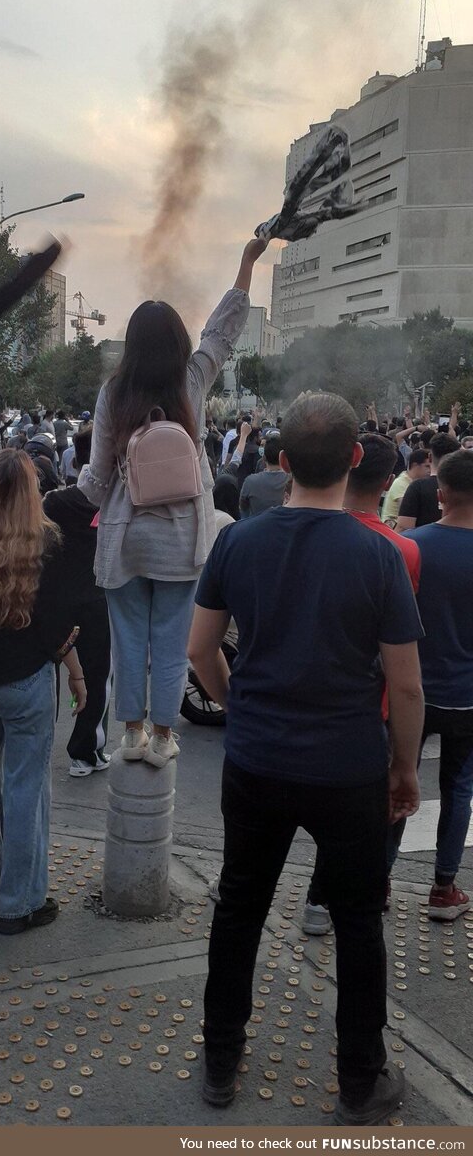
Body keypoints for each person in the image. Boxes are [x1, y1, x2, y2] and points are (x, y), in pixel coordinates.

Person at [187, 392, 424, 1125]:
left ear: (280, 461)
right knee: (357, 922)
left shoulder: (239, 542)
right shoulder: (377, 554)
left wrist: (236, 708)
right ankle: (360, 1079)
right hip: (348, 765)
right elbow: (407, 684)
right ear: (358, 461)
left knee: (239, 907)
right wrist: (405, 770)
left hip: (256, 761)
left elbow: (199, 651)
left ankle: (221, 1060)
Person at [78, 237, 267, 767]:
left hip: (124, 537)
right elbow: (221, 333)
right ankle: (163, 738)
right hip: (182, 537)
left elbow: (94, 480)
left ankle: (131, 734)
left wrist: (68, 502)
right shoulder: (192, 382)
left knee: (128, 642)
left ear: (132, 344)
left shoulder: (113, 393)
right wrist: (247, 263)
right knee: (169, 644)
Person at [0, 448, 86, 934]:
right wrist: (75, 671)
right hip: (24, 680)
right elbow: (55, 621)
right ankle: (20, 903)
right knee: (26, 787)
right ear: (32, 490)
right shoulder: (44, 540)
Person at [302, 431, 422, 935]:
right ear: (387, 479)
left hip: (285, 710)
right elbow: (403, 667)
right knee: (356, 830)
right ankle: (352, 895)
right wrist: (405, 761)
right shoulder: (399, 550)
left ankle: (309, 899)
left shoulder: (288, 532)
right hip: (364, 710)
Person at [389, 449, 473, 919]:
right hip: (468, 698)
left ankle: (378, 881)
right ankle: (444, 889)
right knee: (459, 787)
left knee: (399, 780)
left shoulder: (411, 547)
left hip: (411, 692)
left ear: (439, 496)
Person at [44, 428, 112, 777]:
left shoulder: (54, 502)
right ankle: (84, 753)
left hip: (54, 605)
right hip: (97, 605)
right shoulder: (114, 504)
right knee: (95, 678)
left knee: (51, 675)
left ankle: (41, 742)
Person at [397, 433, 460, 532]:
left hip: (421, 545)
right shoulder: (464, 487)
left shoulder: (417, 487)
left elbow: (404, 527)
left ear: (430, 457)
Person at [239, 433, 288, 517]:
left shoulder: (250, 482)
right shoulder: (293, 482)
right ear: (284, 457)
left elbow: (243, 509)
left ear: (264, 457)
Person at [381, 447, 430, 527]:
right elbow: (408, 511)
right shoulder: (401, 483)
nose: (430, 470)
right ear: (415, 465)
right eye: (427, 466)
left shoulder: (415, 483)